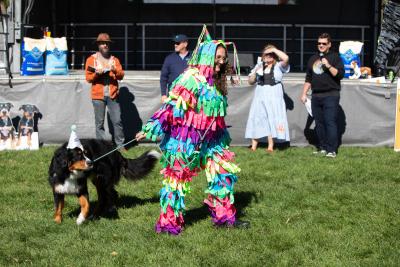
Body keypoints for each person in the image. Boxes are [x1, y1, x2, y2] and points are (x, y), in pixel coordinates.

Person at [136, 25, 248, 235]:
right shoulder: (191, 78)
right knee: (176, 182)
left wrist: (220, 138)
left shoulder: (217, 82)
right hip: (184, 141)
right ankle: (170, 223)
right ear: (206, 57)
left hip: (212, 141)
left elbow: (215, 115)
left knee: (222, 174)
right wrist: (152, 127)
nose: (221, 62)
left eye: (224, 58)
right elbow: (171, 107)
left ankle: (224, 217)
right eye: (218, 58)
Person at [300, 33, 345, 158]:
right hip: (316, 95)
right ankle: (323, 147)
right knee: (319, 123)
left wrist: (328, 65)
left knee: (330, 122)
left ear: (329, 44)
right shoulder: (312, 58)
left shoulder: (335, 57)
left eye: (324, 43)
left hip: (331, 94)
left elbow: (340, 74)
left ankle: (332, 150)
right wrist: (304, 93)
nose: (321, 45)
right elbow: (308, 78)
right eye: (319, 43)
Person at [245, 44, 290, 152]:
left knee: (271, 119)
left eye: (270, 55)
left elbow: (286, 58)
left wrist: (274, 49)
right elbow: (250, 82)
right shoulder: (259, 66)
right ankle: (254, 145)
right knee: (257, 118)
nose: (268, 57)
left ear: (274, 56)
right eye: (266, 54)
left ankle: (270, 145)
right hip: (260, 95)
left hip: (274, 95)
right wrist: (256, 71)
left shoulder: (279, 66)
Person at [85, 33, 125, 149]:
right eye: (102, 43)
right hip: (98, 96)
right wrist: (96, 74)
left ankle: (120, 146)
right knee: (99, 124)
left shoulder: (114, 60)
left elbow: (121, 75)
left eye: (107, 43)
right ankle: (101, 147)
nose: (105, 45)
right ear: (98, 45)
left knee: (117, 121)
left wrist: (115, 70)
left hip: (112, 95)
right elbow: (88, 78)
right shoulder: (91, 60)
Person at [160, 34, 191, 103]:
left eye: (178, 43)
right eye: (174, 43)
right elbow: (163, 78)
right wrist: (163, 95)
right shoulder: (169, 58)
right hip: (173, 96)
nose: (175, 45)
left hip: (190, 97)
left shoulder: (193, 58)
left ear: (185, 44)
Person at [374, 0, 400, 77]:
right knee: (387, 37)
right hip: (394, 8)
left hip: (393, 8)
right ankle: (379, 68)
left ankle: (379, 67)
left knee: (387, 37)